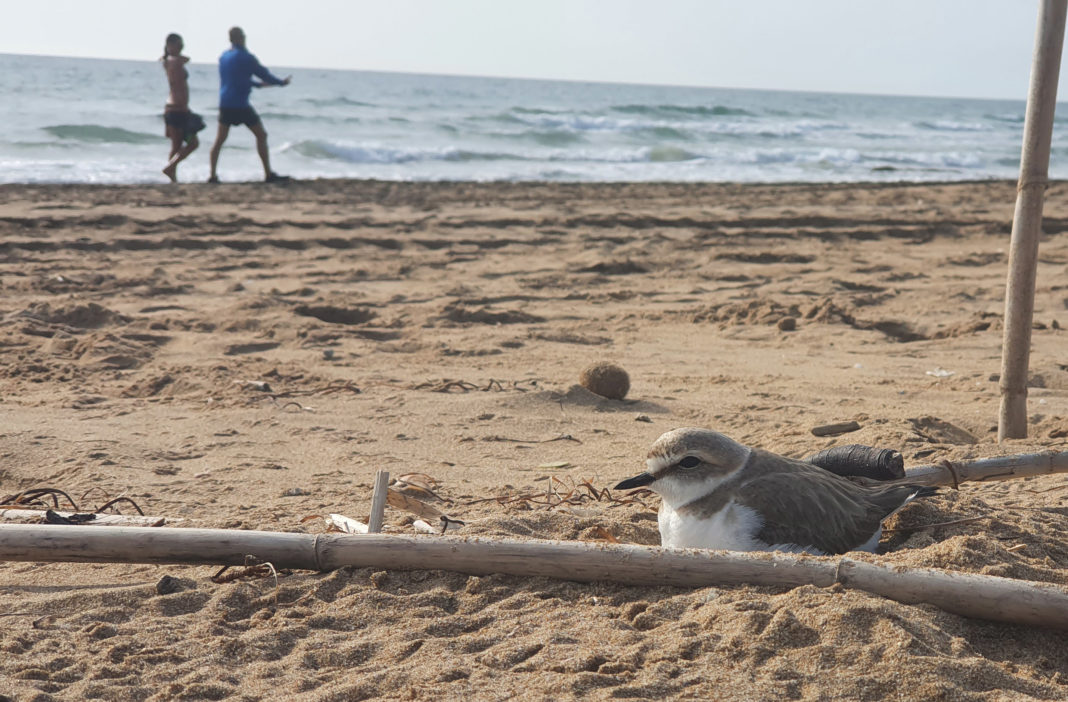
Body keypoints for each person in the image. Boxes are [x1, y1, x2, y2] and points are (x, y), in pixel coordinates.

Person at [208, 27, 292, 183]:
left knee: (219, 140)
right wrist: (281, 83)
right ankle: (268, 174)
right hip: (240, 105)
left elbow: (236, 79)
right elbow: (264, 74)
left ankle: (212, 175)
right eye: (243, 37)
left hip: (225, 103)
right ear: (239, 38)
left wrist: (257, 85)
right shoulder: (247, 57)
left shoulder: (223, 57)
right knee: (261, 135)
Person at [161, 33, 206, 183]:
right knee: (191, 143)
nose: (181, 48)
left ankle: (171, 173)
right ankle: (170, 169)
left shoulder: (170, 61)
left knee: (178, 145)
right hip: (176, 109)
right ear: (170, 45)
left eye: (182, 45)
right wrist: (177, 55)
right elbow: (184, 59)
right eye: (178, 45)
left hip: (178, 108)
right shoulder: (172, 61)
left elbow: (184, 60)